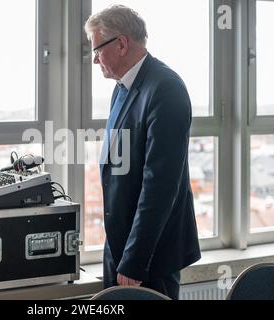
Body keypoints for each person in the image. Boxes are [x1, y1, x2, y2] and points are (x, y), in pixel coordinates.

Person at [84, 5, 201, 300]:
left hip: (149, 256)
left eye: (97, 49)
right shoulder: (121, 87)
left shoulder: (166, 88)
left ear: (121, 43)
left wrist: (135, 260)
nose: (95, 58)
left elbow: (159, 185)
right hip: (119, 246)